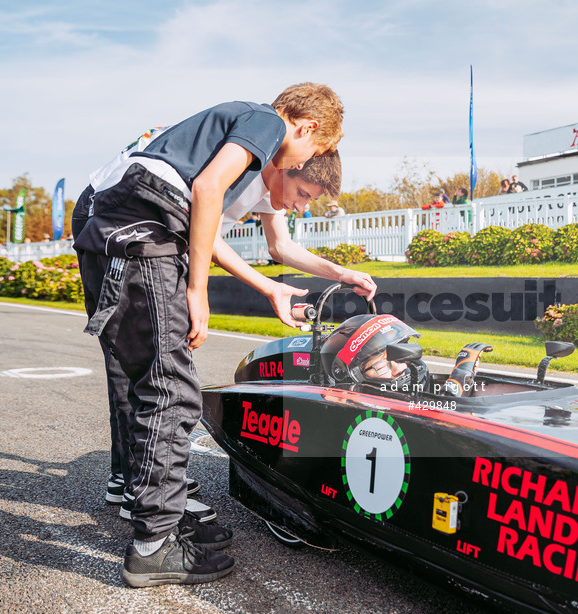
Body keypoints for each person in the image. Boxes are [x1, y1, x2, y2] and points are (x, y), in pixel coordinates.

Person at [72, 83, 363, 588]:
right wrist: (198, 289)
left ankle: (139, 497)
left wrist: (325, 276)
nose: (297, 202)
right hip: (140, 224)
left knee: (140, 376)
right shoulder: (268, 125)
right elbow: (204, 193)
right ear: (307, 128)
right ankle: (154, 543)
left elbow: (245, 235)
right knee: (169, 388)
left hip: (123, 223)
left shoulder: (249, 152)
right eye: (311, 158)